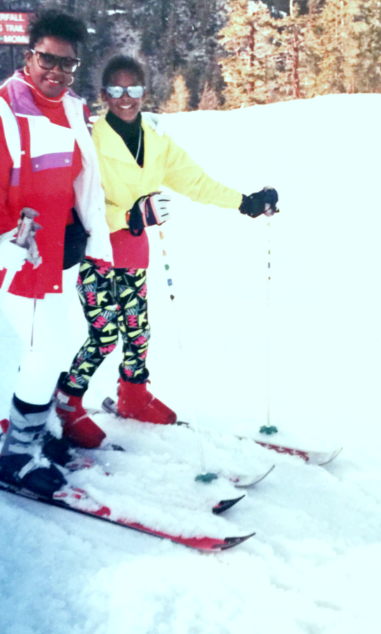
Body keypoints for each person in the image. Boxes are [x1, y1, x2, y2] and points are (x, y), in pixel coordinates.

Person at [55, 54, 278, 446]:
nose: (127, 97)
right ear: (104, 94)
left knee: (138, 332)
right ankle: (67, 402)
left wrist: (245, 202)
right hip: (98, 254)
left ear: (145, 92)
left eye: (135, 89)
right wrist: (130, 214)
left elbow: (196, 182)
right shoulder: (90, 140)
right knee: (104, 335)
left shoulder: (156, 141)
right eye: (117, 89)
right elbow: (82, 202)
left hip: (133, 254)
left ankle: (133, 395)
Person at [0, 10, 112, 496]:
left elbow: (85, 181)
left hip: (61, 255)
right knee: (46, 351)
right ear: (29, 57)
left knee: (50, 347)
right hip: (17, 261)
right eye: (48, 59)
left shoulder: (74, 109)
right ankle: (17, 457)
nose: (57, 71)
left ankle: (34, 429)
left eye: (68, 64)